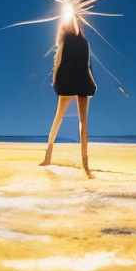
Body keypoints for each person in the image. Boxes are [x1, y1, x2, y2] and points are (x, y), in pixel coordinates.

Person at [41, 12, 96, 175]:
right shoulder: (82, 42)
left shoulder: (65, 40)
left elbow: (60, 65)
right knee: (81, 122)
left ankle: (48, 157)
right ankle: (84, 164)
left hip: (70, 82)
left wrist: (58, 84)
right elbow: (86, 65)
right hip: (81, 82)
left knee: (59, 118)